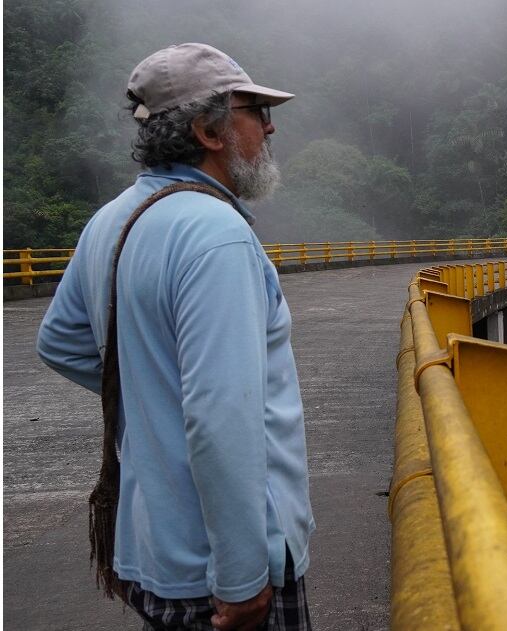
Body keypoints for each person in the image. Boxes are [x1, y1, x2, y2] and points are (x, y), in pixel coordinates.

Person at [37, 43, 315, 631]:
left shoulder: (111, 219)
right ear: (208, 132)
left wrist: (152, 390)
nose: (270, 127)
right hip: (221, 570)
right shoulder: (218, 234)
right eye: (255, 111)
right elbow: (220, 415)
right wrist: (242, 577)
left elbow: (61, 342)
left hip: (153, 549)